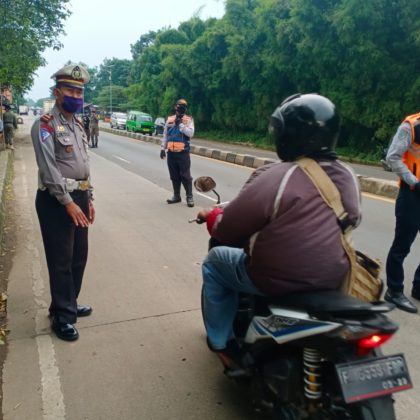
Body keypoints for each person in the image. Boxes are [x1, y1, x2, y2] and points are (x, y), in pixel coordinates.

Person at [196, 93, 361, 366]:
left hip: (275, 279)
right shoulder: (348, 175)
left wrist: (212, 217)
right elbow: (352, 218)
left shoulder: (277, 176)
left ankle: (221, 344)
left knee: (214, 263)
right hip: (333, 276)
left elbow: (228, 230)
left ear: (289, 135)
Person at [31, 63, 95, 341]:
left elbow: (84, 165)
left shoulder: (78, 125)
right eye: (70, 89)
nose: (76, 96)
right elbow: (49, 169)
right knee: (61, 260)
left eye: (79, 91)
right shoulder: (45, 125)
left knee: (79, 257)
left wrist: (88, 197)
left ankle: (67, 302)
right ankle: (61, 316)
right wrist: (68, 202)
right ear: (57, 93)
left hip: (79, 196)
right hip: (56, 201)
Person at [384, 112, 420, 313]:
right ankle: (394, 290)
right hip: (412, 194)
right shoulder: (411, 126)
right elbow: (393, 157)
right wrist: (414, 182)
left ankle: (419, 287)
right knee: (402, 245)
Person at [160, 98, 195, 207]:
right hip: (171, 152)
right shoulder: (170, 120)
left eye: (183, 106)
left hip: (183, 153)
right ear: (176, 107)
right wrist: (162, 149)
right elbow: (165, 135)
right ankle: (176, 196)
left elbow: (190, 133)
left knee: (185, 175)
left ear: (185, 108)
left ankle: (189, 197)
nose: (180, 108)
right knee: (174, 175)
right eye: (179, 106)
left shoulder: (188, 120)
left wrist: (181, 125)